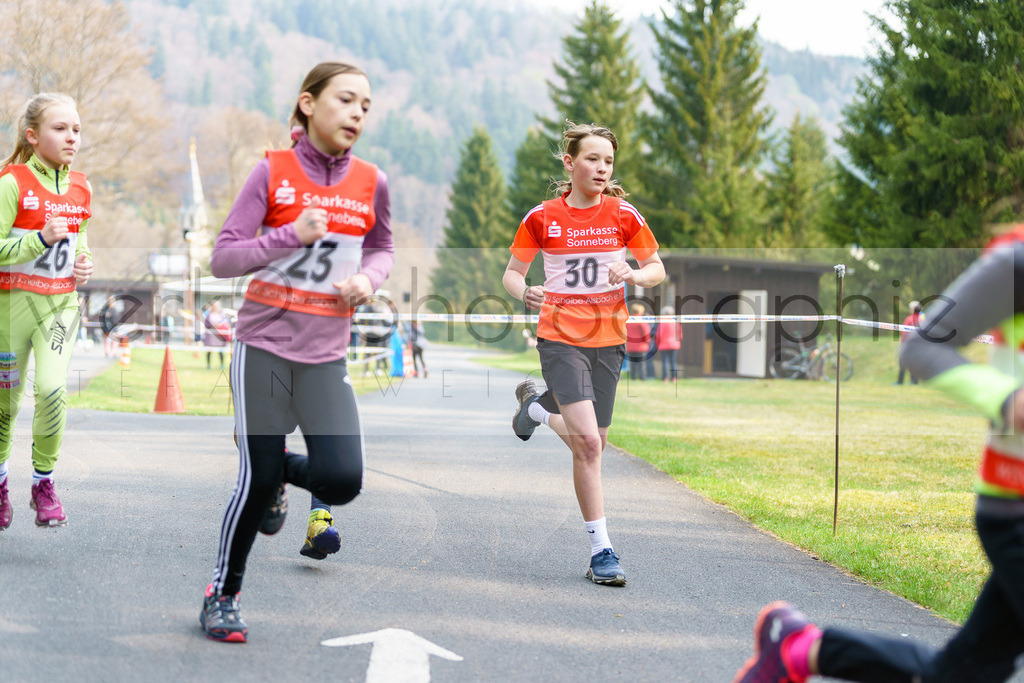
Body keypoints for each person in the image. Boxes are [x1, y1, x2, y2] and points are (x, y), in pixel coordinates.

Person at [734, 225, 1024, 682]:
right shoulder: (1016, 262)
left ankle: (804, 649)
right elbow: (923, 344)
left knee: (964, 673)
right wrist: (1008, 400)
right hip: (1016, 504)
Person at [200, 61, 394, 642]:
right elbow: (224, 257)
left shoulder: (371, 182)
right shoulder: (273, 171)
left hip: (325, 353)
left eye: (366, 104)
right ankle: (223, 594)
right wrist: (290, 235)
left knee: (342, 481)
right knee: (254, 486)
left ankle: (275, 467)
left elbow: (382, 246)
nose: (358, 112)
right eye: (346, 99)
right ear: (308, 104)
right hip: (263, 344)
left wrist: (370, 280)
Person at [503, 122, 665, 586]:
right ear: (570, 163)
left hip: (609, 339)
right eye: (592, 159)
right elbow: (512, 273)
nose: (601, 168)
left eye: (608, 161)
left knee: (593, 444)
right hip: (559, 337)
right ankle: (602, 551)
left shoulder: (624, 215)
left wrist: (632, 275)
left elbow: (656, 268)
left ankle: (534, 408)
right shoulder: (542, 216)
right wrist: (526, 290)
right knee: (589, 445)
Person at [0, 93, 94, 531]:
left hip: (60, 306)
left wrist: (84, 262)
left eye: (76, 129)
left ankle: (43, 484)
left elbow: (81, 243)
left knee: (53, 390)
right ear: (32, 135)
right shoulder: (11, 182)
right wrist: (39, 239)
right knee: (5, 405)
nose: (72, 137)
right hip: (11, 307)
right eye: (60, 129)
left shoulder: (82, 186)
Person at [894, 300, 923, 385]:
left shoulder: (910, 319)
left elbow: (904, 332)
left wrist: (902, 342)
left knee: (902, 362)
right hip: (918, 344)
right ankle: (914, 381)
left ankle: (900, 381)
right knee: (914, 362)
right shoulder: (923, 319)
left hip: (908, 344)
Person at [202, 299, 231, 369]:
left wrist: (220, 325)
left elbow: (226, 323)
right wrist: (213, 325)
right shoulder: (208, 315)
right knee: (209, 351)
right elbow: (206, 324)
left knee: (220, 351)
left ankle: (222, 365)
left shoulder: (221, 314)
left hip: (220, 336)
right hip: (211, 336)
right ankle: (208, 365)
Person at [655, 305, 682, 381]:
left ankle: (665, 378)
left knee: (665, 362)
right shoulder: (676, 322)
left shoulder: (662, 322)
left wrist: (657, 343)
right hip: (674, 345)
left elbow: (658, 335)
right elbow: (680, 335)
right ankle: (674, 378)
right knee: (673, 362)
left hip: (664, 345)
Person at [626, 302, 651, 381]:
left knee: (632, 363)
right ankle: (642, 378)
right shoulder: (641, 320)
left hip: (630, 345)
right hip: (641, 346)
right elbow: (646, 333)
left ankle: (633, 377)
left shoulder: (628, 320)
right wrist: (648, 341)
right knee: (641, 363)